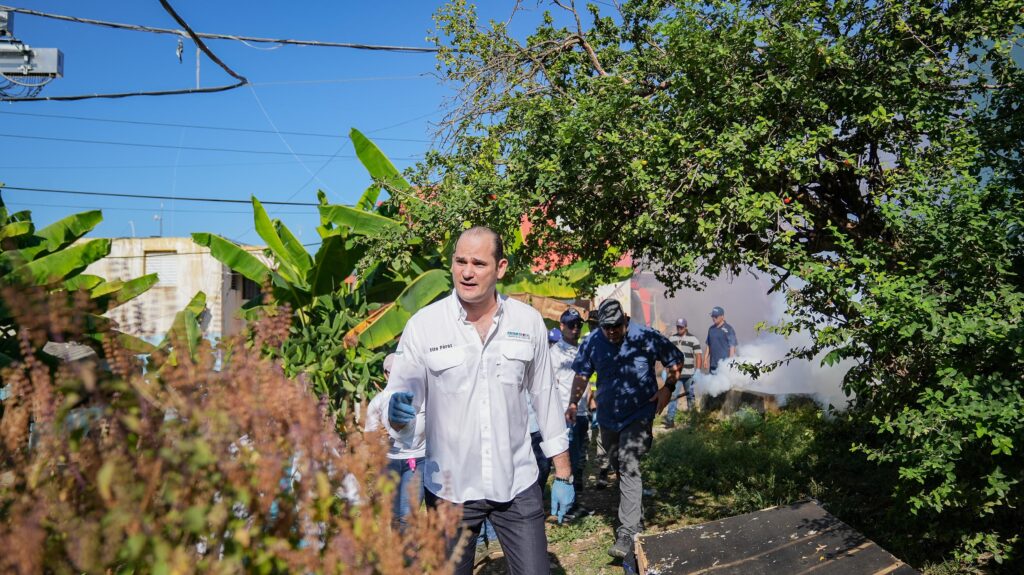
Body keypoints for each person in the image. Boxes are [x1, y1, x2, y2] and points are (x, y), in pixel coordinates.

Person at [382, 226, 573, 575]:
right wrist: (394, 413)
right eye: (460, 261)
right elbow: (399, 401)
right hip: (448, 492)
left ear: (500, 268)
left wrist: (563, 473)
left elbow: (546, 400)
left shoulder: (527, 322)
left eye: (478, 263)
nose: (467, 272)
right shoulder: (424, 326)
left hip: (517, 484)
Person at [566, 299, 683, 559]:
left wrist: (668, 388)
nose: (611, 332)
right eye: (606, 327)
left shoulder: (647, 337)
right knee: (619, 465)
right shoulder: (592, 342)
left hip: (639, 414)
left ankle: (628, 533)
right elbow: (582, 375)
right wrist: (573, 402)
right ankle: (636, 519)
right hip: (608, 417)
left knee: (629, 462)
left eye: (616, 326)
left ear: (625, 320)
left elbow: (676, 360)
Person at [363, 353, 425, 529]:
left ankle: (409, 554)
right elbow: (368, 436)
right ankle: (400, 553)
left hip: (417, 460)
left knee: (407, 514)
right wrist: (379, 436)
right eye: (392, 372)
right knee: (395, 514)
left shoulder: (422, 396)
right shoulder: (378, 402)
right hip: (390, 461)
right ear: (385, 375)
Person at [549, 308, 589, 509]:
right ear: (561, 326)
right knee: (568, 461)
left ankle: (572, 502)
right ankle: (567, 506)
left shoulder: (583, 349)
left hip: (582, 413)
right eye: (571, 325)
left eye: (578, 325)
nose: (575, 329)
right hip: (567, 415)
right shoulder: (554, 354)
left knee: (579, 458)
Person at [663, 318, 703, 427]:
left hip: (689, 374)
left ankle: (693, 420)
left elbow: (698, 356)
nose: (679, 329)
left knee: (690, 397)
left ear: (686, 327)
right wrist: (665, 370)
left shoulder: (693, 339)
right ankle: (670, 420)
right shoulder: (672, 339)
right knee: (673, 396)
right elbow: (667, 355)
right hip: (675, 374)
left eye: (681, 327)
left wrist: (698, 371)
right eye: (678, 327)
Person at [704, 306, 737, 374]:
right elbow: (708, 345)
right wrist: (705, 359)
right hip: (713, 365)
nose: (713, 318)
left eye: (716, 316)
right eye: (712, 316)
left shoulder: (729, 329)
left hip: (724, 366)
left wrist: (730, 363)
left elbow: (732, 348)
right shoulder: (711, 329)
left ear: (722, 316)